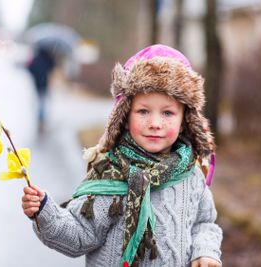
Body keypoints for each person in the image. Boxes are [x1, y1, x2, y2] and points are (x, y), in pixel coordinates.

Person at [21, 44, 222, 267]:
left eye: (167, 113)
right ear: (124, 116)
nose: (155, 123)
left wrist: (206, 252)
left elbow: (204, 223)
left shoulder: (191, 175)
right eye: (143, 111)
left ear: (185, 120)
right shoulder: (109, 174)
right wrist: (45, 212)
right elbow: (79, 235)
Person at [26, 46, 56, 133]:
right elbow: (52, 67)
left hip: (37, 84)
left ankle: (41, 119)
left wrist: (35, 76)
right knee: (43, 102)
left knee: (40, 102)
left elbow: (30, 68)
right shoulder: (48, 58)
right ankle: (42, 120)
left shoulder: (36, 58)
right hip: (45, 84)